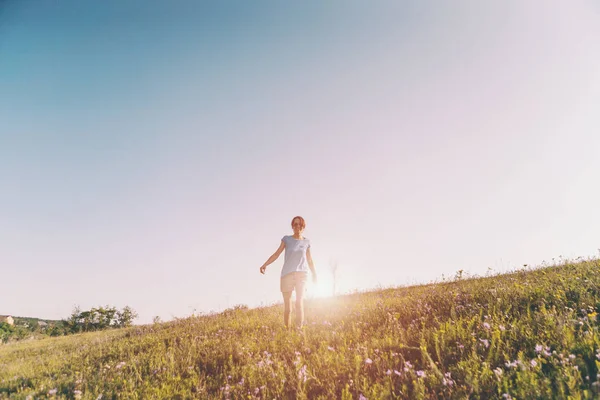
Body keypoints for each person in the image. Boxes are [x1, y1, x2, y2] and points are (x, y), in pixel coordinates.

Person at [259, 216, 317, 330]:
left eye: (300, 224)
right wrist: (265, 264)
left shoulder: (306, 242)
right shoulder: (287, 239)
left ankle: (299, 330)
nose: (297, 227)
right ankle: (287, 331)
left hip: (302, 274)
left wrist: (314, 274)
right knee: (288, 308)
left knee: (299, 302)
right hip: (287, 275)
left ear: (303, 227)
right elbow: (276, 254)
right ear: (292, 226)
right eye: (295, 224)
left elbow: (309, 260)